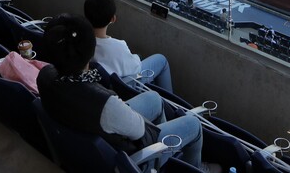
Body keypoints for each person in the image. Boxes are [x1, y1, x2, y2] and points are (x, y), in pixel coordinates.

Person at [36, 15, 216, 172]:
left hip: (85, 137)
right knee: (193, 124)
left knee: (154, 98)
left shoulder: (44, 76)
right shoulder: (106, 105)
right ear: (90, 51)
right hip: (126, 160)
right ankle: (191, 167)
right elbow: (139, 131)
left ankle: (167, 158)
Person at [84, 0, 173, 92]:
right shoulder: (118, 46)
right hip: (121, 87)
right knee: (161, 60)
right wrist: (136, 57)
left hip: (99, 88)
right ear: (113, 19)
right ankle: (172, 104)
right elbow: (135, 67)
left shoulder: (78, 41)